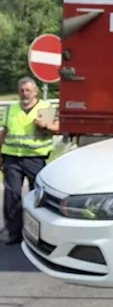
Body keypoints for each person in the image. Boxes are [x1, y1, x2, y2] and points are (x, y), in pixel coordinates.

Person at [1, 77, 57, 245]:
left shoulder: (45, 108)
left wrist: (45, 126)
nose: (25, 93)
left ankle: (38, 232)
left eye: (28, 90)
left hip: (35, 158)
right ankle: (14, 233)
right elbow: (5, 131)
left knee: (38, 197)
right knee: (12, 195)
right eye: (22, 90)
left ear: (35, 92)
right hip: (12, 157)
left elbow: (58, 128)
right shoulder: (11, 109)